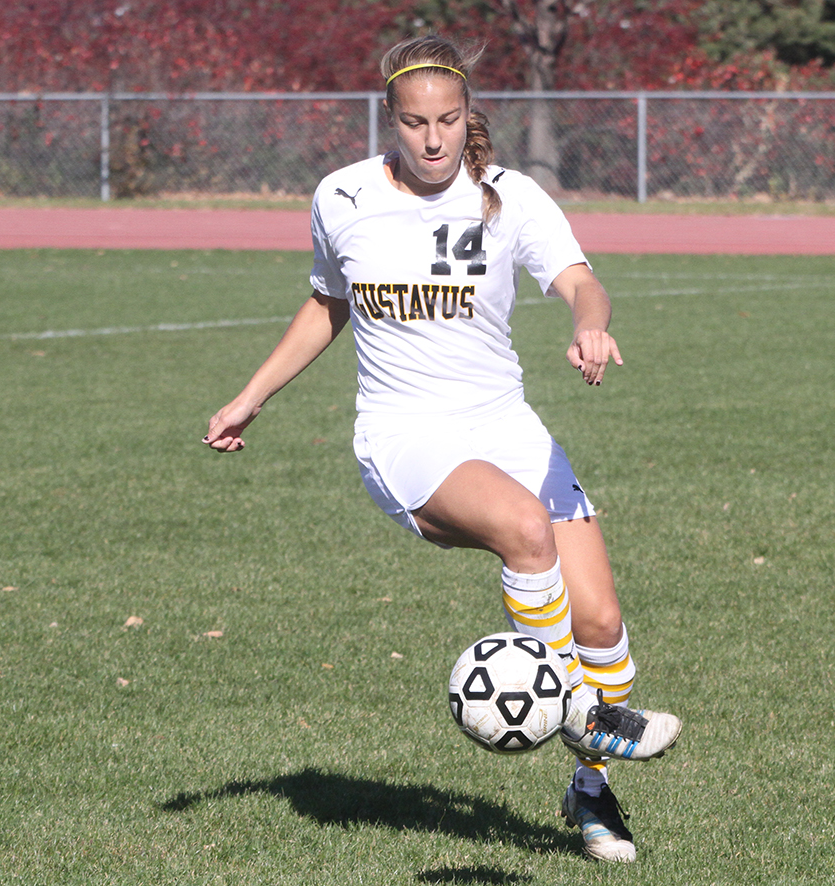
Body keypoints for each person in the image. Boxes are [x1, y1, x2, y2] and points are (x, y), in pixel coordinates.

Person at [203, 34, 681, 863]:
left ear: (469, 117)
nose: (433, 139)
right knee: (526, 529)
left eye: (449, 121)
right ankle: (582, 713)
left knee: (601, 622)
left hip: (506, 425)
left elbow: (578, 278)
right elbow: (326, 304)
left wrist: (590, 323)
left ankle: (591, 790)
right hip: (405, 434)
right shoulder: (343, 196)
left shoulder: (508, 195)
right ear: (390, 120)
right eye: (416, 123)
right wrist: (251, 397)